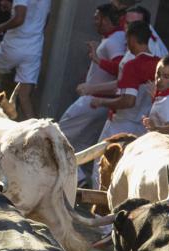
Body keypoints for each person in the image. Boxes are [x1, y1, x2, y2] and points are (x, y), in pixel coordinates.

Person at [59, 3, 125, 183]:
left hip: (94, 101)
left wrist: (96, 58)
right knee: (82, 144)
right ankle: (79, 179)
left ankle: (77, 176)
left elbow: (120, 71)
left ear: (105, 19)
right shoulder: (113, 38)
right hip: (101, 103)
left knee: (58, 134)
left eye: (97, 18)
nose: (94, 22)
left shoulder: (115, 40)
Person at [0, 0, 51, 119]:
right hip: (34, 48)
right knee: (24, 97)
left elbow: (20, 18)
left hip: (14, 45)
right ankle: (38, 132)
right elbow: (44, 18)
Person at [91, 22, 158, 138]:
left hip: (120, 126)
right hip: (143, 130)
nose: (125, 43)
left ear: (132, 38)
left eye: (126, 38)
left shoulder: (132, 65)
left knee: (103, 156)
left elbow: (128, 101)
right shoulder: (160, 64)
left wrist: (101, 102)